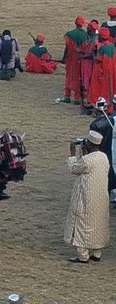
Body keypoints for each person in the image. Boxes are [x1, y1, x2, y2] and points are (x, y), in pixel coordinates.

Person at [64, 130, 110, 263]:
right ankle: (97, 253)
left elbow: (73, 169)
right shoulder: (103, 157)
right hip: (100, 196)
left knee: (82, 223)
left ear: (89, 144)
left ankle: (82, 255)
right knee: (98, 223)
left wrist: (73, 153)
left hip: (86, 197)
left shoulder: (87, 160)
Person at [87, 27, 116, 114]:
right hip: (112, 72)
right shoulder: (112, 46)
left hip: (102, 73)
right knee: (109, 91)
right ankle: (109, 108)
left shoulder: (102, 48)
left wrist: (93, 55)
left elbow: (98, 60)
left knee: (100, 92)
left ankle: (101, 109)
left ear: (102, 37)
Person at [61, 15, 88, 104]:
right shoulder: (86, 35)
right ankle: (77, 97)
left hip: (70, 59)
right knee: (79, 77)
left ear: (75, 23)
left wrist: (63, 58)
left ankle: (67, 96)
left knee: (69, 76)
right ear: (83, 24)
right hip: (81, 60)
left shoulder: (69, 34)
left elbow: (67, 48)